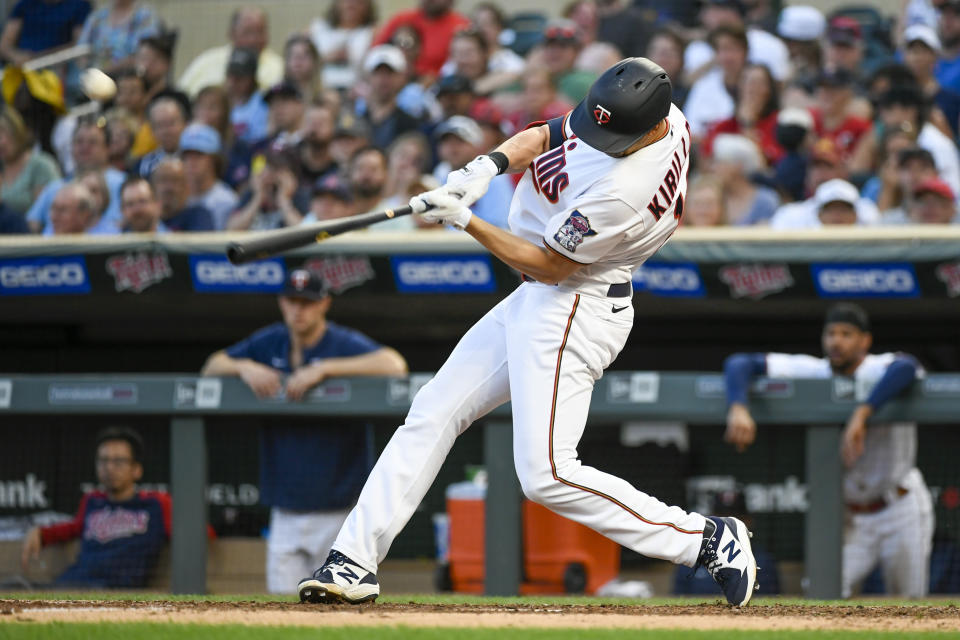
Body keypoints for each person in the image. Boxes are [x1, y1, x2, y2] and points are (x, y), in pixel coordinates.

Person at [296, 57, 757, 608]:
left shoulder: (627, 190)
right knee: (434, 410)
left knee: (548, 475)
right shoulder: (655, 111)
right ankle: (353, 561)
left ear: (648, 129)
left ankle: (705, 539)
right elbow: (547, 133)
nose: (598, 136)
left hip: (573, 304)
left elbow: (548, 265)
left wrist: (467, 221)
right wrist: (486, 167)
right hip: (542, 298)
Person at [201, 269, 408, 594]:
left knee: (337, 606)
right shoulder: (270, 340)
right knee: (284, 609)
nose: (299, 310)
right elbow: (212, 366)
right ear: (282, 302)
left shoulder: (340, 341)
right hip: (285, 510)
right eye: (292, 301)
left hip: (339, 510)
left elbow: (394, 365)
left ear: (324, 303)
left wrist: (325, 368)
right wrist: (244, 366)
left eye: (308, 302)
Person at [723, 303, 935, 598]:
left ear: (865, 341)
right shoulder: (815, 370)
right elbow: (740, 363)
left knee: (909, 600)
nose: (836, 341)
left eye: (847, 334)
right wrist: (738, 406)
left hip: (899, 506)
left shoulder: (881, 366)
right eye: (831, 333)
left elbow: (908, 367)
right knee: (821, 591)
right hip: (852, 516)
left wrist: (862, 413)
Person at [20, 427, 172, 588]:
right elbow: (74, 528)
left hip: (116, 590)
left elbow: (189, 534)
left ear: (136, 470)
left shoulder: (157, 503)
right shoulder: (92, 501)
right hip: (75, 582)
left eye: (118, 461)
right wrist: (41, 533)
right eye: (103, 461)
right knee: (15, 588)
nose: (109, 468)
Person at [27, 116, 125, 234]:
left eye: (92, 142)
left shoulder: (122, 183)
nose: (84, 147)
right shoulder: (56, 187)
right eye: (79, 141)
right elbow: (32, 224)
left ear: (107, 148)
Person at [177, 6, 283, 96]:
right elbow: (182, 96)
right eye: (247, 32)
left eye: (260, 32)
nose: (253, 39)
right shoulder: (206, 62)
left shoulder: (279, 67)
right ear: (231, 33)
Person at [432, 116, 514, 229]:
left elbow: (500, 225)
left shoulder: (494, 176)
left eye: (460, 142)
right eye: (447, 142)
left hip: (478, 245)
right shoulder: (440, 173)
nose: (453, 147)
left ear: (476, 146)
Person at [371, 0, 469, 79]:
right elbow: (374, 54)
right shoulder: (401, 19)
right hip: (394, 82)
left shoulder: (461, 26)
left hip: (441, 87)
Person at [356, 45, 422, 150]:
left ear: (402, 77)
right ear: (369, 77)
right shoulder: (357, 120)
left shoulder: (410, 124)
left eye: (389, 73)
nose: (383, 79)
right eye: (378, 73)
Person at [0, 105, 61, 217]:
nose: (1, 143)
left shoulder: (41, 165)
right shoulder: (2, 168)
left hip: (30, 233)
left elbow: (47, 214)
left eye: (2, 134)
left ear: (17, 133)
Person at [180, 123, 238, 231]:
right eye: (187, 156)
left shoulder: (227, 201)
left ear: (214, 159)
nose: (191, 162)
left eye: (198, 155)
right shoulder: (177, 197)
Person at [77, 0, 161, 75]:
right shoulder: (98, 17)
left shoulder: (145, 16)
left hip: (129, 79)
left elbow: (146, 55)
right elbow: (81, 50)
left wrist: (107, 71)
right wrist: (86, 70)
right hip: (96, 79)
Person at [0, 0, 91, 68]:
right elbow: (4, 45)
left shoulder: (79, 5)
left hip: (59, 70)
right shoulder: (25, 4)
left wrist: (40, 58)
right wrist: (17, 56)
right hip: (22, 69)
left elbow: (79, 45)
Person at [309, 0, 377, 91]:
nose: (352, 5)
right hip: (320, 91)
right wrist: (325, 58)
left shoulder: (372, 32)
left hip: (356, 91)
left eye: (359, 2)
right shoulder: (318, 28)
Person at [150, 157, 214, 232]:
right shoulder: (145, 217)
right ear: (152, 187)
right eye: (163, 180)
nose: (168, 188)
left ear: (187, 187)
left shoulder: (199, 216)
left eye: (175, 180)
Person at [133, 93, 188, 178]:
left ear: (184, 124)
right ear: (152, 131)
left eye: (171, 123)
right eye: (159, 125)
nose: (166, 131)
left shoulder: (197, 161)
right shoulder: (143, 167)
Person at [225, 47, 270, 146]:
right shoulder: (220, 102)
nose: (233, 82)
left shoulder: (264, 104)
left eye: (239, 77)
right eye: (230, 75)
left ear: (252, 78)